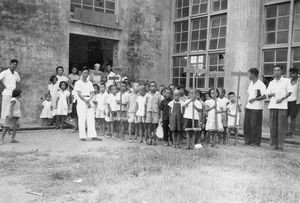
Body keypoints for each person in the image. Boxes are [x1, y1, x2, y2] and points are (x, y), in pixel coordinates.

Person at [266, 65, 293, 151]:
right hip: (273, 106)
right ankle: (274, 145)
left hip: (282, 107)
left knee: (281, 127)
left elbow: (289, 92)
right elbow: (268, 94)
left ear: (281, 71)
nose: (276, 72)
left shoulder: (286, 81)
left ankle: (280, 146)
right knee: (273, 127)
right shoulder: (271, 82)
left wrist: (282, 98)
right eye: (274, 70)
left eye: (278, 70)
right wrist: (272, 94)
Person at [244, 68, 267, 146]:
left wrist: (254, 99)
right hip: (249, 107)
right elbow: (248, 95)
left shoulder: (261, 84)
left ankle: (255, 142)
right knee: (247, 125)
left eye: (249, 74)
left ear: (253, 74)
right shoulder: (251, 83)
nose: (248, 76)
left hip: (257, 108)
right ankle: (248, 141)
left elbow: (264, 96)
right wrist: (245, 104)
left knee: (255, 125)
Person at [74, 68, 98, 140]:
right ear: (81, 73)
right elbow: (78, 93)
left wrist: (89, 100)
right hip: (81, 101)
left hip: (89, 99)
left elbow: (92, 92)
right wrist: (85, 100)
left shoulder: (90, 83)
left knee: (91, 118)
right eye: (84, 73)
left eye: (87, 73)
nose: (86, 74)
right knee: (82, 119)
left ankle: (93, 135)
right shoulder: (78, 82)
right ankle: (82, 136)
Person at [0, 59, 21, 125]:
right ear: (10, 64)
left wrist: (13, 87)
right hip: (6, 93)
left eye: (15, 64)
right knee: (5, 109)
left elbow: (18, 81)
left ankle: (11, 124)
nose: (14, 66)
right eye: (13, 64)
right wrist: (5, 86)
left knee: (13, 108)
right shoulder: (5, 72)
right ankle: (3, 124)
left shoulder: (16, 74)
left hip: (13, 95)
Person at [287, 68, 300, 138]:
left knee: (293, 117)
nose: (292, 75)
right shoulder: (288, 81)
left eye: (294, 73)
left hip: (295, 102)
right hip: (287, 101)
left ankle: (290, 133)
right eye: (291, 73)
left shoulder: (299, 81)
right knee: (285, 116)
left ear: (297, 74)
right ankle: (285, 132)